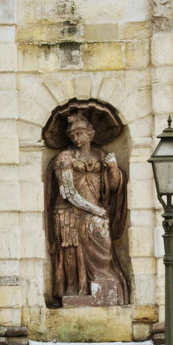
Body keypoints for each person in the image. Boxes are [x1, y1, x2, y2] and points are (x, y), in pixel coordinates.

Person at [46, 110, 129, 306]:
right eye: (73, 135)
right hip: (69, 212)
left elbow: (114, 186)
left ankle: (101, 280)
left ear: (90, 133)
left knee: (102, 234)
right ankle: (77, 290)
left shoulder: (102, 155)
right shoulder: (64, 158)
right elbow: (67, 192)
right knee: (74, 252)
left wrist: (113, 168)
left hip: (93, 208)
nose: (76, 138)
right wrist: (93, 209)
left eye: (80, 133)